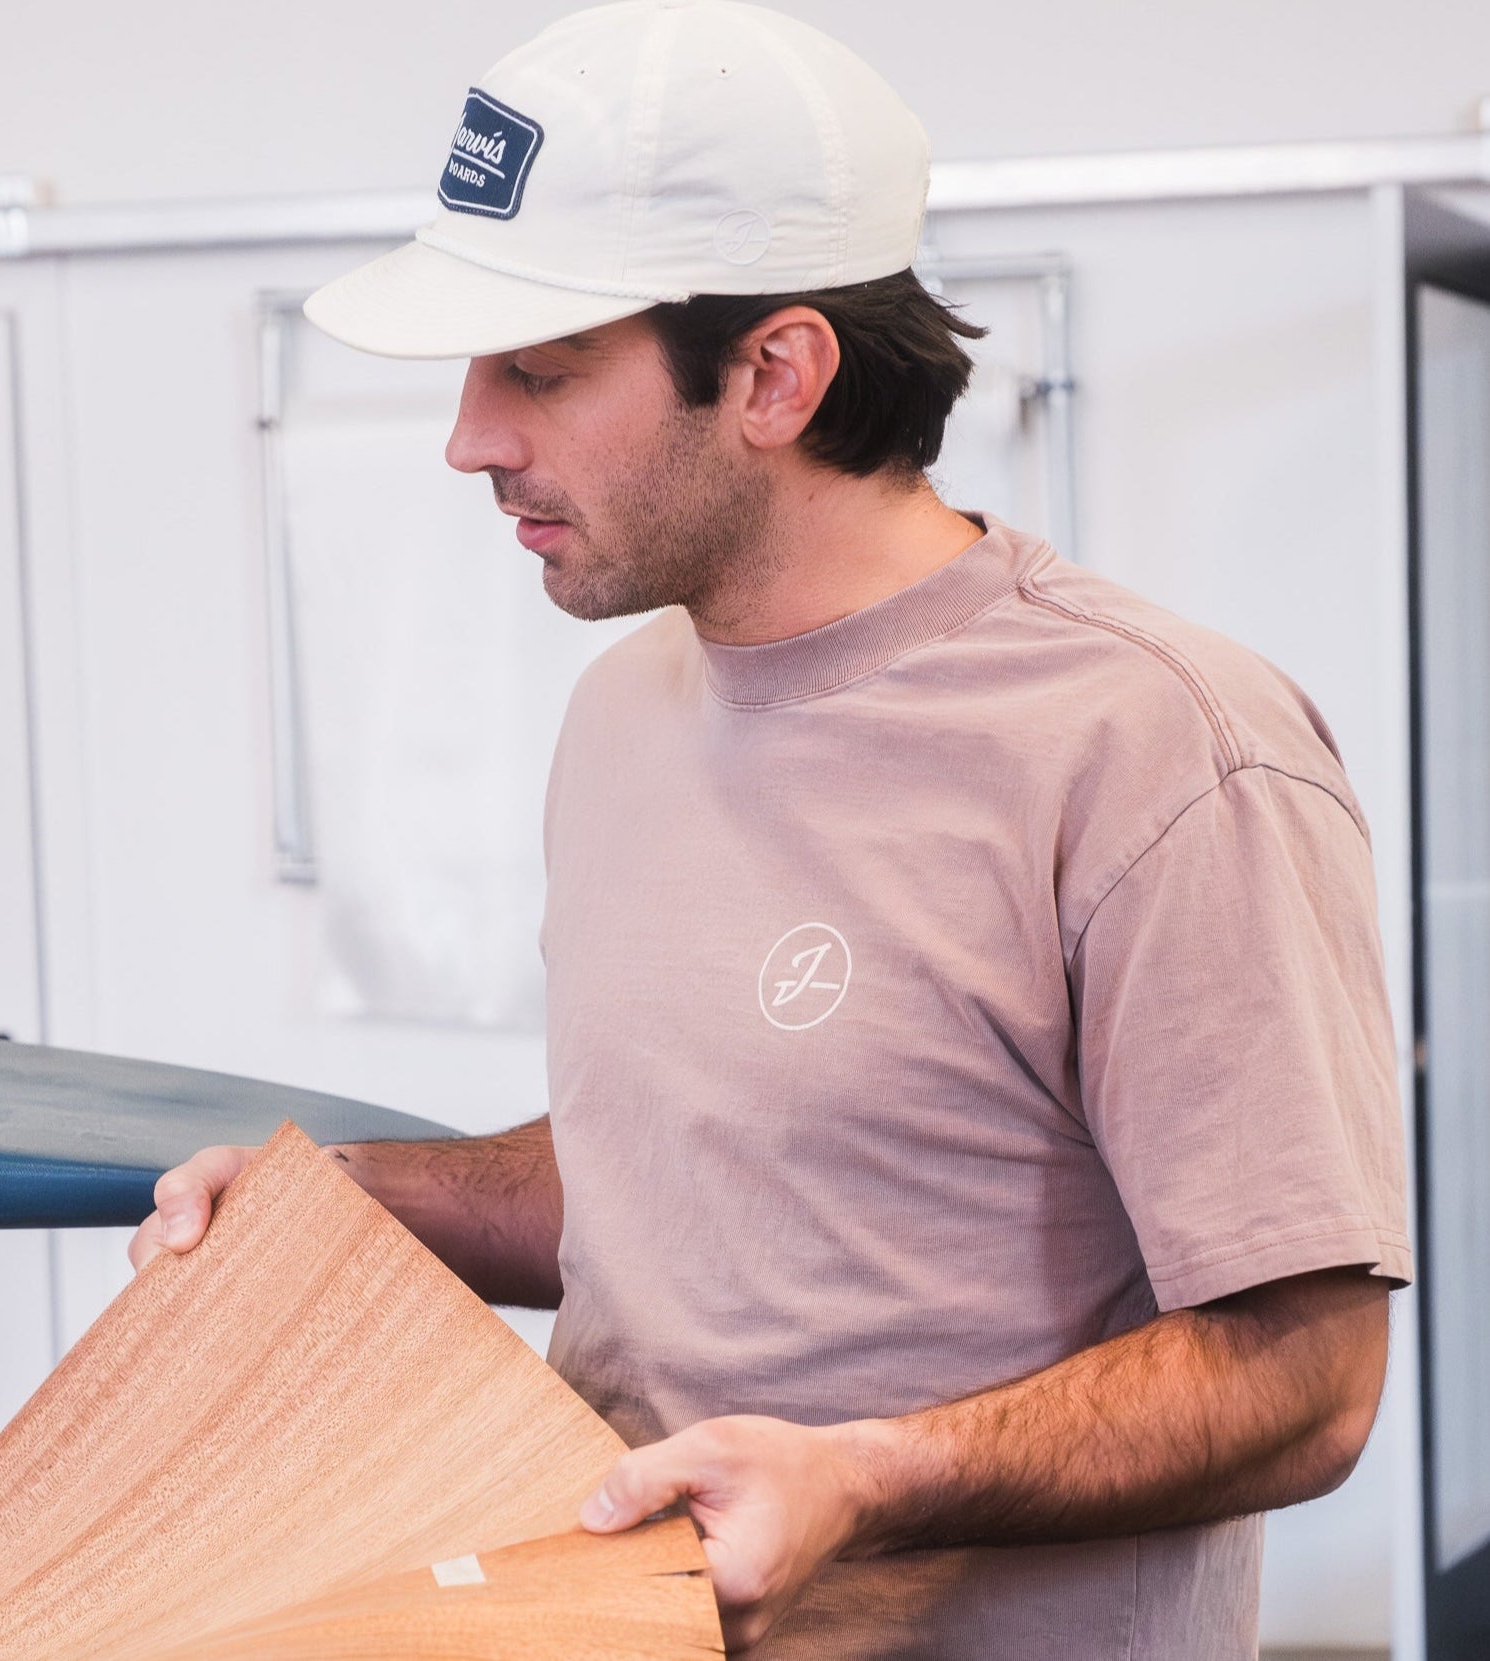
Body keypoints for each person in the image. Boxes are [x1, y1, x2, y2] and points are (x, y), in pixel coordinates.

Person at [129, 4, 1411, 1655]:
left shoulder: (1163, 745)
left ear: (774, 371)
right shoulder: (627, 711)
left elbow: (1304, 1375)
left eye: (538, 367)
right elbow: (687, 1180)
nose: (469, 438)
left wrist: (867, 1479)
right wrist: (347, 1201)